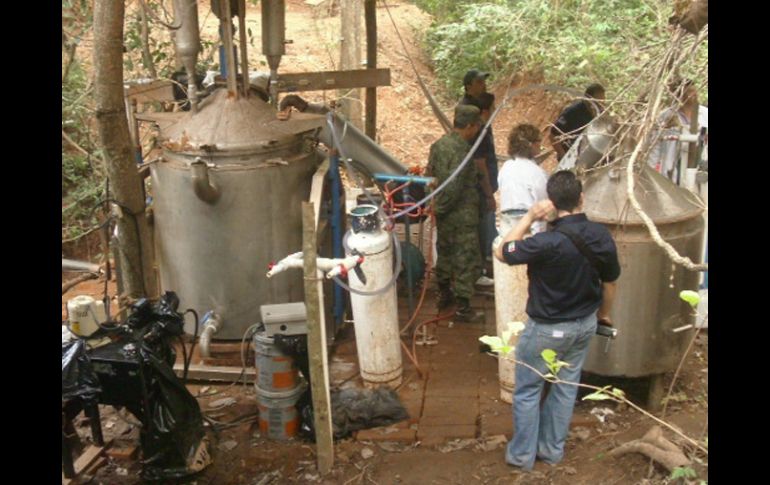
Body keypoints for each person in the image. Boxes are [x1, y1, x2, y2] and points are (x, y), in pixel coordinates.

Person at [494, 170, 620, 470]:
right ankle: (551, 452)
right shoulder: (601, 236)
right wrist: (604, 316)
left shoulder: (545, 242)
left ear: (550, 203)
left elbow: (503, 252)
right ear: (581, 198)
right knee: (565, 388)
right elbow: (611, 282)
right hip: (584, 326)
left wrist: (528, 217)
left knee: (527, 391)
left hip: (546, 330)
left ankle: (522, 457)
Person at [427, 104, 485, 322]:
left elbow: (429, 176)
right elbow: (454, 186)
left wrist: (434, 204)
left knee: (445, 252)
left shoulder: (438, 145)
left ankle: (444, 294)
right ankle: (463, 307)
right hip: (461, 215)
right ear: (469, 126)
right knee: (465, 258)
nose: (478, 130)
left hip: (445, 214)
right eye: (477, 126)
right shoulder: (463, 151)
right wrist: (441, 206)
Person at [464, 92, 498, 286]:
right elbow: (480, 164)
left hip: (478, 189)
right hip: (479, 191)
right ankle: (479, 269)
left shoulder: (481, 129)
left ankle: (480, 265)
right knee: (481, 228)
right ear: (486, 110)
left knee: (483, 227)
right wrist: (488, 194)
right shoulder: (480, 132)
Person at [647, 79, 707, 183]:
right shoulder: (666, 116)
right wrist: (652, 174)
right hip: (673, 167)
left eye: (695, 90)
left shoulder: (705, 114)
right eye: (689, 91)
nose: (694, 94)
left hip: (699, 166)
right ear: (679, 94)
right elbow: (655, 145)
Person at [497, 124, 549, 236]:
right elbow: (542, 204)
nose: (540, 144)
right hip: (528, 224)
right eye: (538, 141)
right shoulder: (537, 173)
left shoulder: (506, 167)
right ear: (531, 145)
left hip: (506, 223)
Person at [549, 83, 605, 161]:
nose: (600, 105)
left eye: (602, 102)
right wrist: (563, 155)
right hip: (570, 156)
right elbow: (553, 135)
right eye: (596, 102)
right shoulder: (572, 112)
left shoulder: (601, 112)